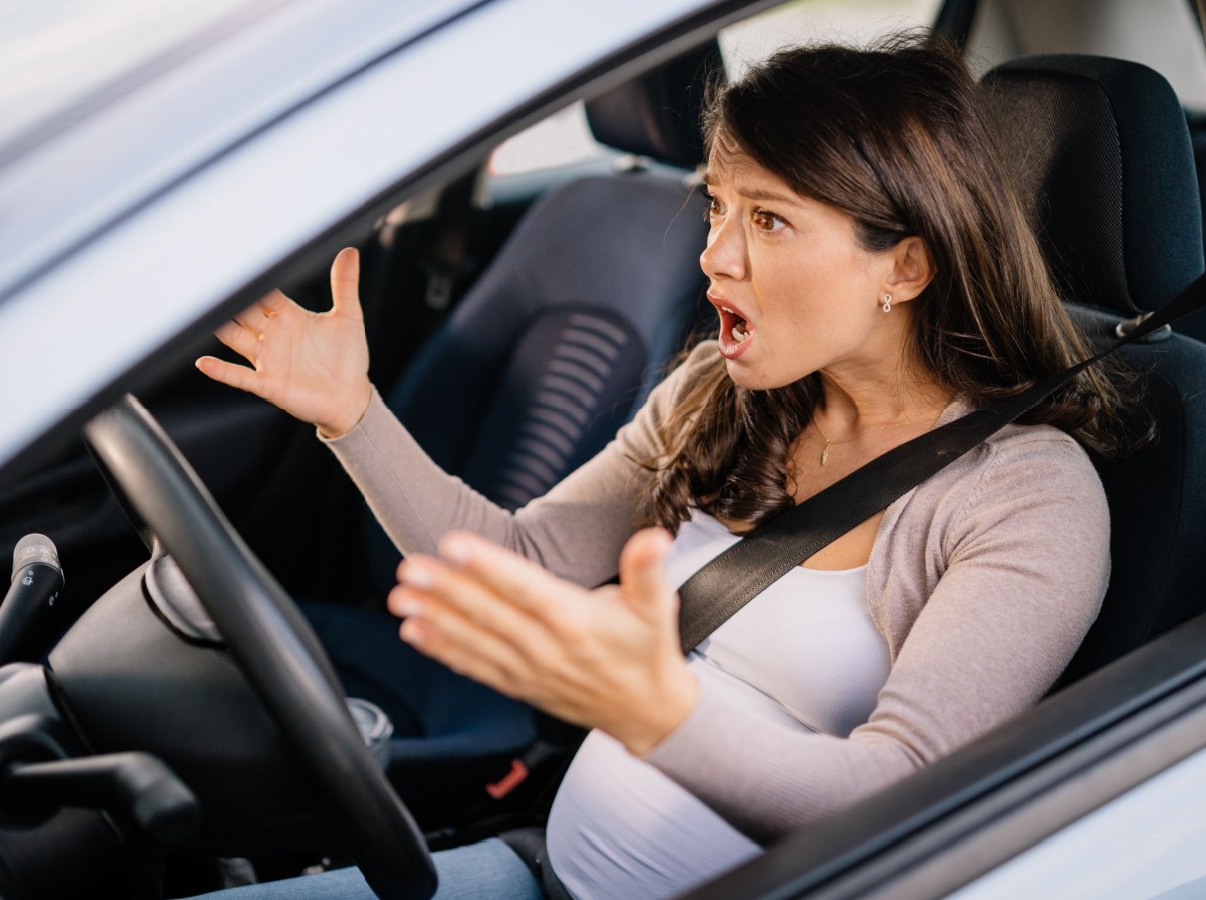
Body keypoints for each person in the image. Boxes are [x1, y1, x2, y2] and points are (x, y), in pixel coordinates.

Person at [193, 33, 1125, 900]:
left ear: (905, 269)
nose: (715, 254)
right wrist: (353, 414)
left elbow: (900, 788)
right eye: (719, 206)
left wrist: (655, 715)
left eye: (769, 219)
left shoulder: (1023, 496)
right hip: (541, 869)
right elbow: (519, 555)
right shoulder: (720, 393)